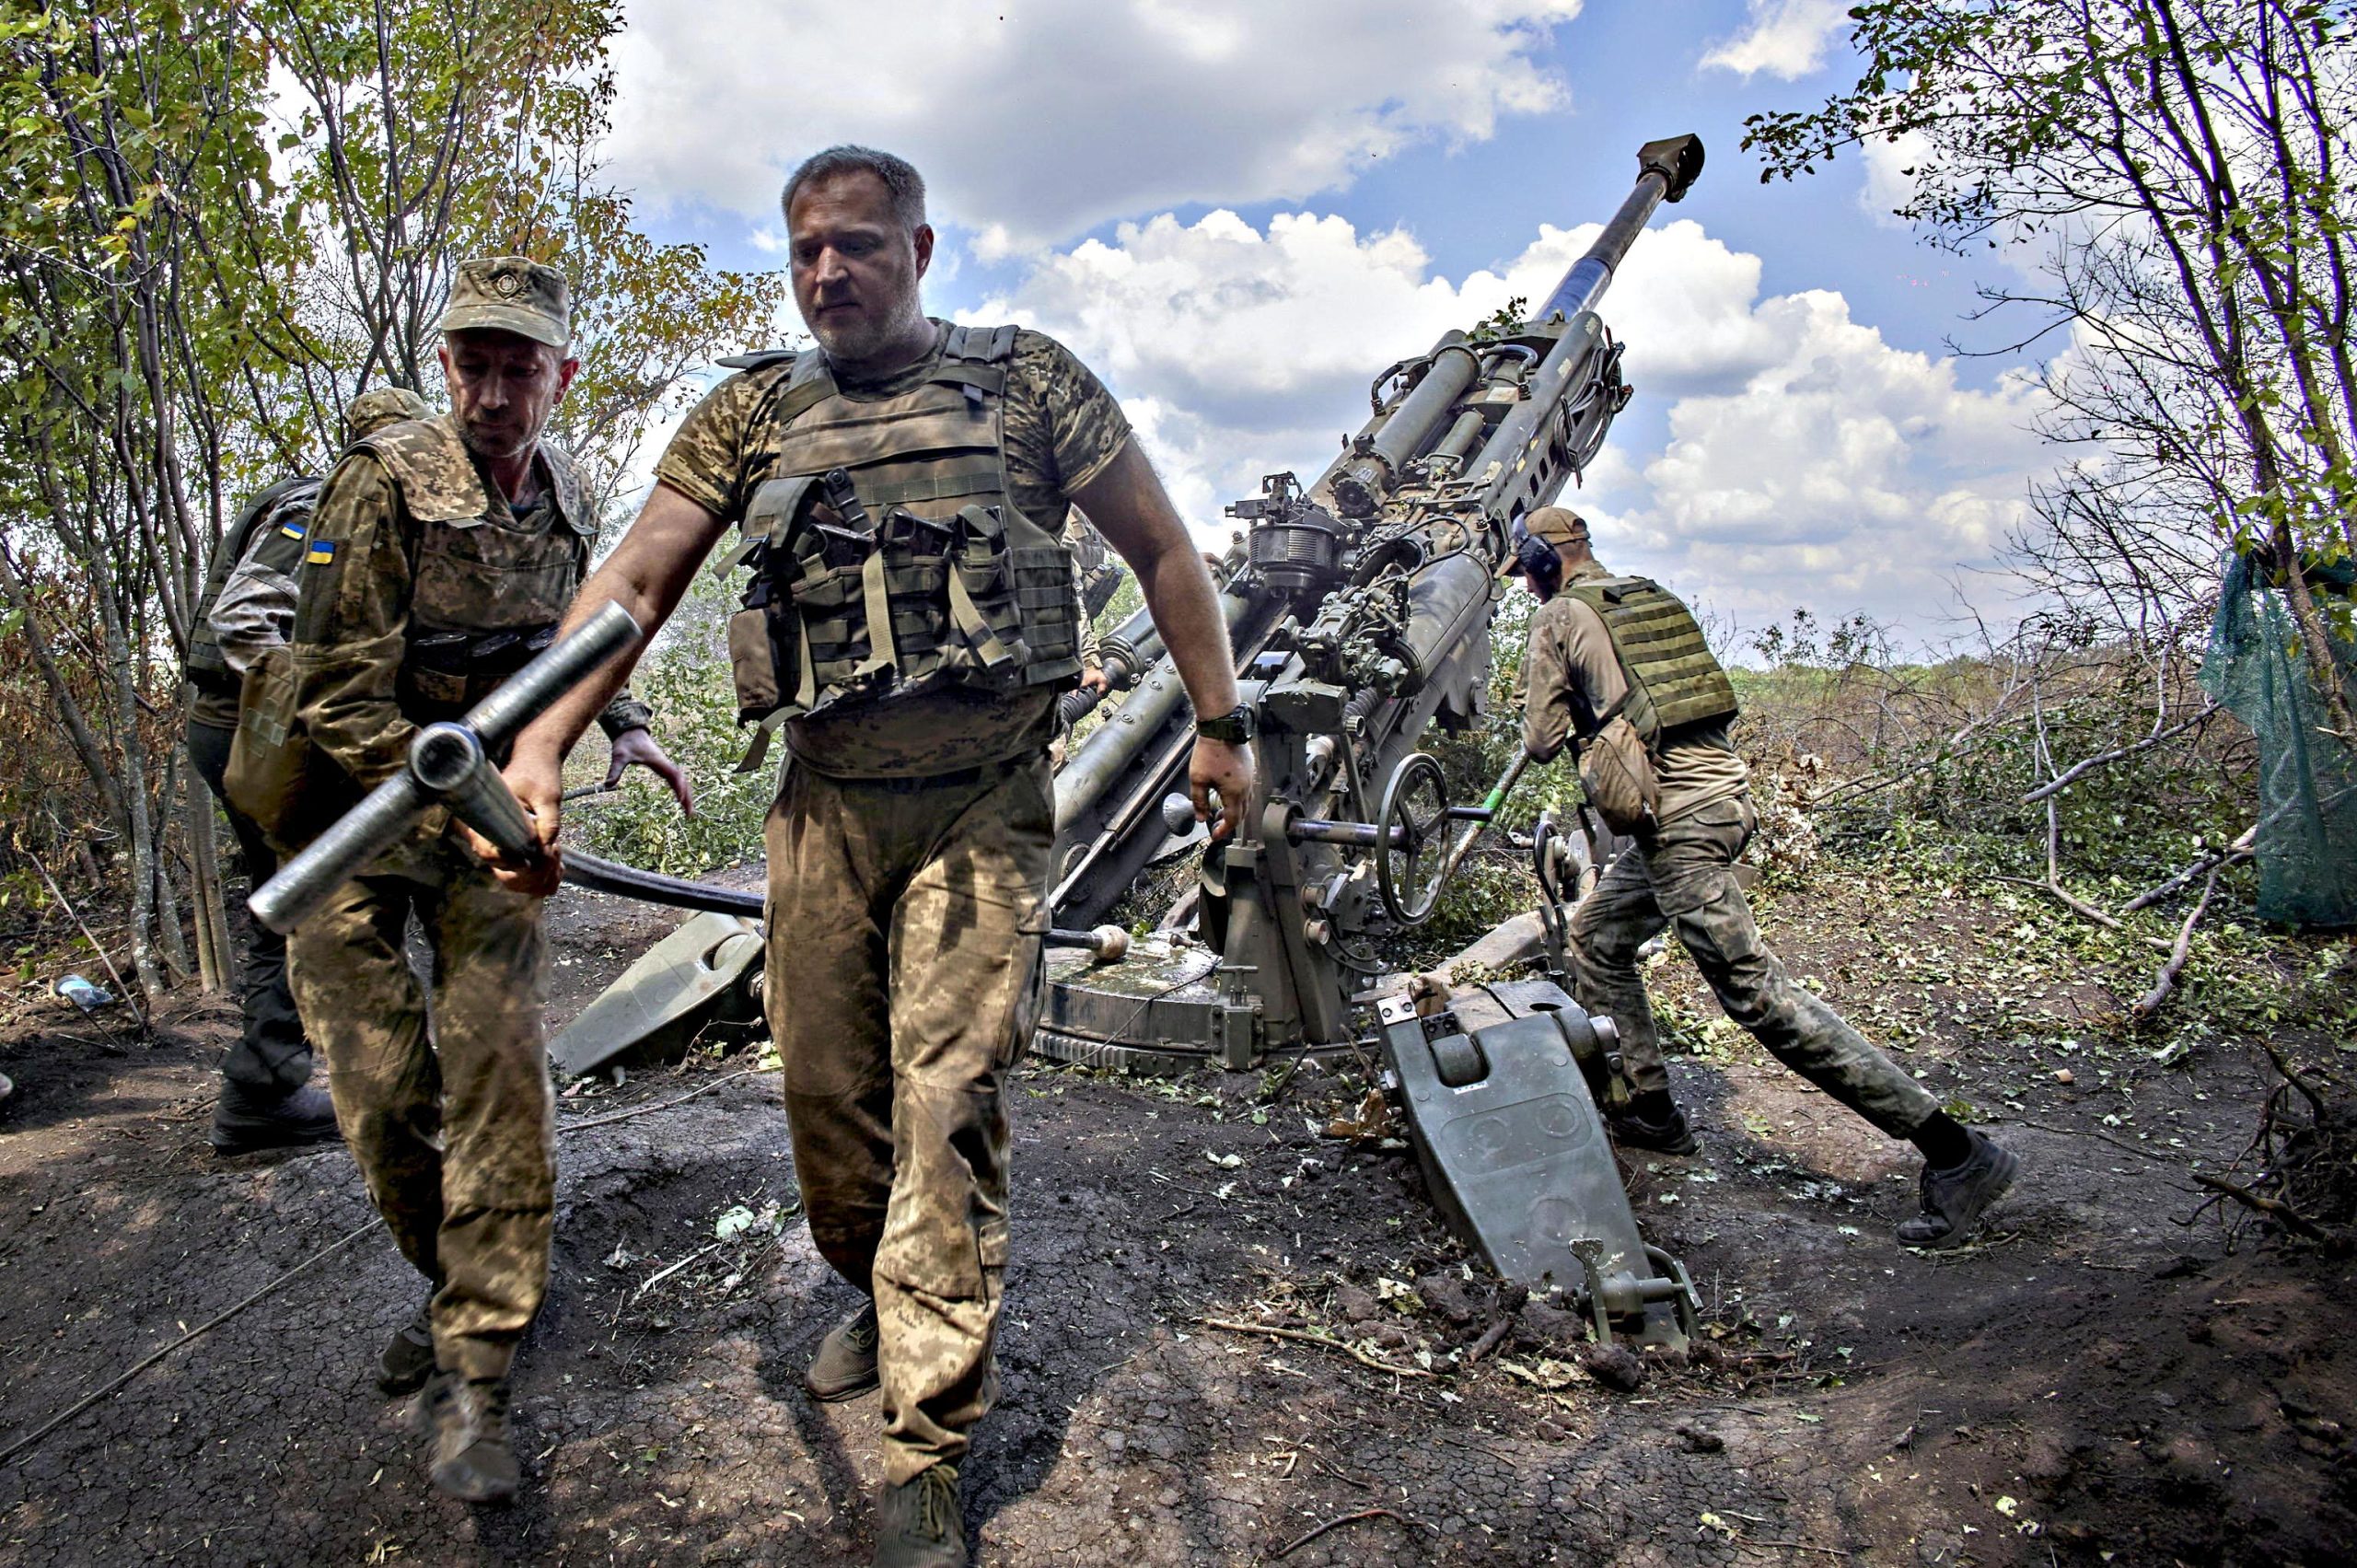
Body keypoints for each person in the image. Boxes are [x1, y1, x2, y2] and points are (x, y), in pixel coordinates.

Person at [491, 146, 1254, 1567]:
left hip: (983, 798)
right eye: (803, 254)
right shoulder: (753, 412)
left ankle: (927, 1436)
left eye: (855, 245)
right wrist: (538, 745)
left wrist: (1219, 723)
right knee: (831, 1106)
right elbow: (637, 579)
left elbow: (1163, 550)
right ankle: (880, 1282)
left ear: (920, 246)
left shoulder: (1028, 383)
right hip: (826, 803)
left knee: (945, 1096)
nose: (827, 274)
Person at [279, 258, 689, 1502]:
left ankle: (482, 1366)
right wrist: (449, 798)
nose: (498, 393)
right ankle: (457, 1278)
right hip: (346, 811)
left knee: (499, 1071)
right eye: (478, 365)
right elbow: (333, 693)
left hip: (481, 810)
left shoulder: (564, 495)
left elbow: (574, 637)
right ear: (445, 365)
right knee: (384, 1092)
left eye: (523, 368)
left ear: (561, 376)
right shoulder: (380, 483)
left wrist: (625, 726)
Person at [1511, 505, 2018, 1249]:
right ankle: (1650, 1106)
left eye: (1526, 571)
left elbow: (1541, 737)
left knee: (1758, 996)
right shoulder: (1647, 597)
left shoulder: (1558, 617)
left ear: (1543, 562)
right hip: (1720, 798)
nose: (1525, 585)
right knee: (1597, 934)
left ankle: (1955, 1150)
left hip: (1678, 819)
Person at [185, 388, 434, 1155]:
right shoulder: (319, 502)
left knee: (287, 898)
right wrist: (320, 701)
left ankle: (264, 1087)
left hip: (249, 728)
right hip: (258, 734)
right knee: (312, 897)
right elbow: (243, 618)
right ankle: (270, 1094)